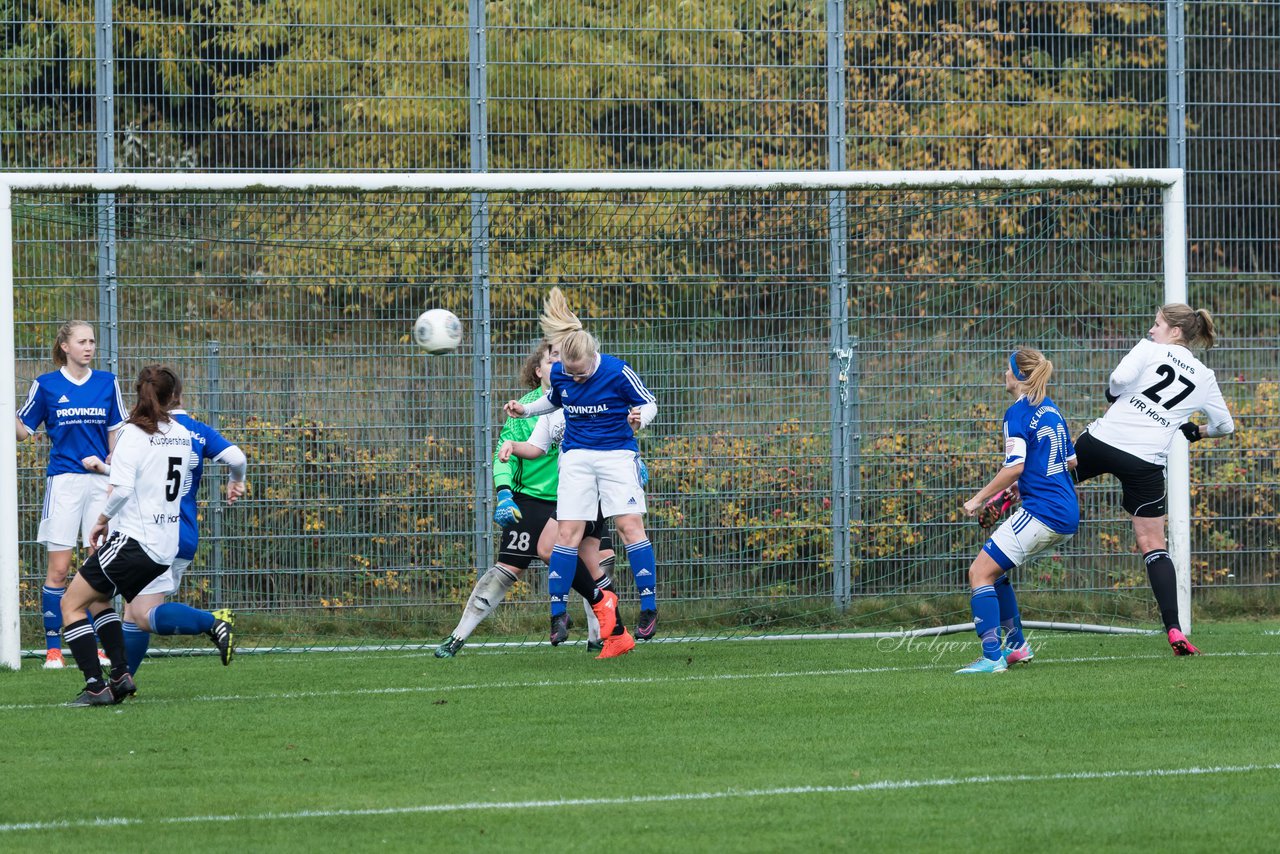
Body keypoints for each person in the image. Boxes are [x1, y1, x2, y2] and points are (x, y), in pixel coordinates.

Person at [435, 340, 623, 658]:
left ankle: (601, 637)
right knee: (506, 571)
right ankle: (457, 637)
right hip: (533, 501)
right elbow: (506, 453)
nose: (561, 364)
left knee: (599, 561)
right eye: (552, 360)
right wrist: (505, 493)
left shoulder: (588, 399)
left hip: (580, 499)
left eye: (566, 358)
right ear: (539, 371)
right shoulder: (527, 409)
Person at [503, 287, 658, 660]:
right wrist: (526, 412)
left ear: (594, 356)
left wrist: (641, 416)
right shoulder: (561, 374)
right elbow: (554, 400)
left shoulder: (616, 370)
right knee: (566, 535)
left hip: (616, 455)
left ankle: (649, 607)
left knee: (629, 526)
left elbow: (648, 401)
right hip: (576, 458)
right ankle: (558, 615)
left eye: (581, 371)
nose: (576, 378)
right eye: (569, 373)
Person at [1073, 303, 1235, 655]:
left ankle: (1008, 495)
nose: (1151, 329)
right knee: (1153, 545)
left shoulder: (1149, 348)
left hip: (1103, 440)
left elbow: (1117, 381)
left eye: (1158, 323)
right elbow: (1227, 426)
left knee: (1050, 478)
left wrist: (1115, 396)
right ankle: (1174, 630)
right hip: (1145, 461)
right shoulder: (1204, 376)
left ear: (1175, 332)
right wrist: (1197, 431)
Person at [58, 365, 193, 706]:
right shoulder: (181, 432)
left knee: (70, 604)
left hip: (135, 541)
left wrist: (101, 520)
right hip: (164, 545)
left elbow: (120, 491)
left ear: (139, 393)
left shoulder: (133, 433)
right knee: (99, 598)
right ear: (173, 396)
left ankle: (95, 686)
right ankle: (120, 675)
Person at [85, 392, 246, 672]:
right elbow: (237, 457)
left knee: (142, 614)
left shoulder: (149, 430)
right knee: (134, 613)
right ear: (178, 395)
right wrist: (236, 480)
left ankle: (214, 621)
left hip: (153, 532)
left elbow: (139, 477)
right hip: (183, 531)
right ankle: (124, 680)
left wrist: (107, 472)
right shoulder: (195, 431)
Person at [957, 348, 1079, 674]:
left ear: (1019, 376)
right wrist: (1021, 488)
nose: (1004, 375)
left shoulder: (1017, 413)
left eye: (1008, 370)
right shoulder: (1051, 409)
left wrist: (979, 498)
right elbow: (1070, 461)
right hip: (1065, 512)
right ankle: (1016, 646)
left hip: (1043, 512)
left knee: (978, 573)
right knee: (994, 573)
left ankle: (991, 658)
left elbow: (1015, 466)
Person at [16, 320, 125, 670]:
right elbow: (22, 431)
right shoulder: (46, 385)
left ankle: (95, 645)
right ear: (65, 346)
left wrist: (114, 478)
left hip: (99, 484)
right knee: (59, 570)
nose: (89, 347)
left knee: (97, 566)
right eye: (82, 341)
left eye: (92, 341)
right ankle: (53, 650)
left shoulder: (107, 382)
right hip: (63, 482)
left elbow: (116, 435)